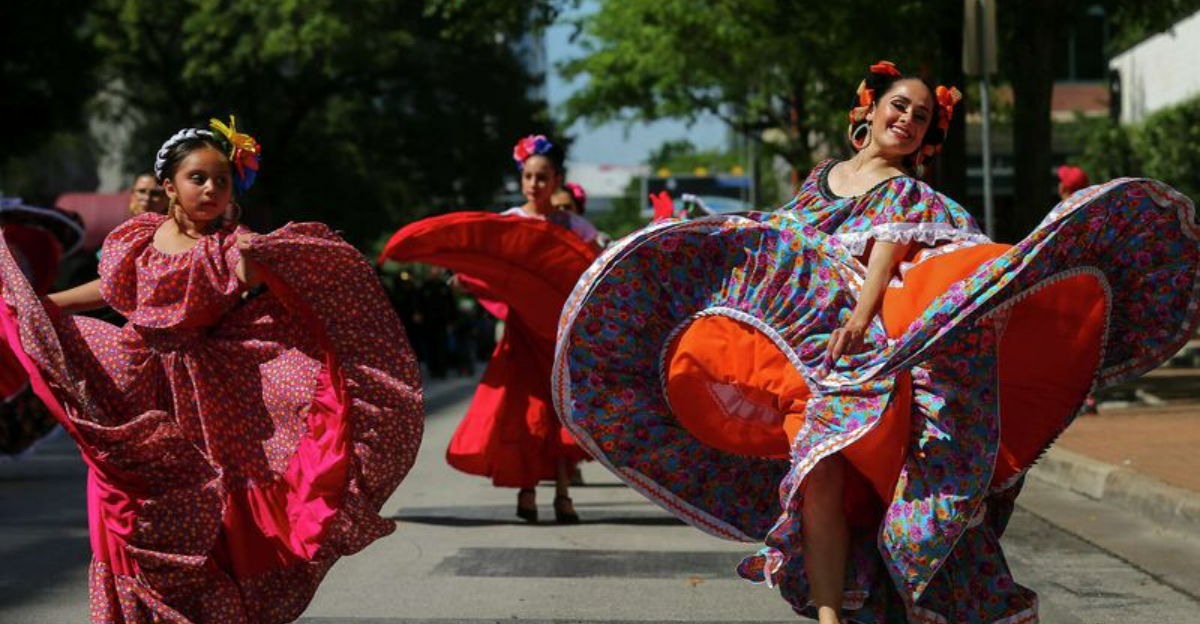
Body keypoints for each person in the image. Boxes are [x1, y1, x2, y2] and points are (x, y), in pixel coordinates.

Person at [552, 60, 1200, 624]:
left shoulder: (908, 191)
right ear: (870, 108)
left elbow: (890, 253)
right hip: (799, 356)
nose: (908, 120)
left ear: (925, 136)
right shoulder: (819, 178)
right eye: (900, 106)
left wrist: (860, 320)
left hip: (869, 362)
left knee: (864, 484)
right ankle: (833, 614)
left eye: (920, 116)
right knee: (819, 479)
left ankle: (889, 598)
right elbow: (780, 242)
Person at [0, 116, 423, 623]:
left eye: (221, 180)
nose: (210, 189)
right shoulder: (137, 235)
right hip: (135, 382)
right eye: (198, 178)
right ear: (169, 187)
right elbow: (113, 292)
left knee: (208, 520)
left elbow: (270, 277)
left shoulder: (232, 245)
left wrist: (285, 259)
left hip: (206, 398)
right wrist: (44, 305)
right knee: (124, 514)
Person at [379, 134, 599, 524]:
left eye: (543, 176)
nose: (535, 184)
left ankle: (564, 495)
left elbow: (593, 270)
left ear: (557, 179)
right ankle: (527, 491)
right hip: (522, 335)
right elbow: (493, 270)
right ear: (523, 179)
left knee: (563, 413)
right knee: (527, 413)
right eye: (529, 176)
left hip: (562, 339)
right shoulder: (511, 222)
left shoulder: (575, 227)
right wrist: (466, 278)